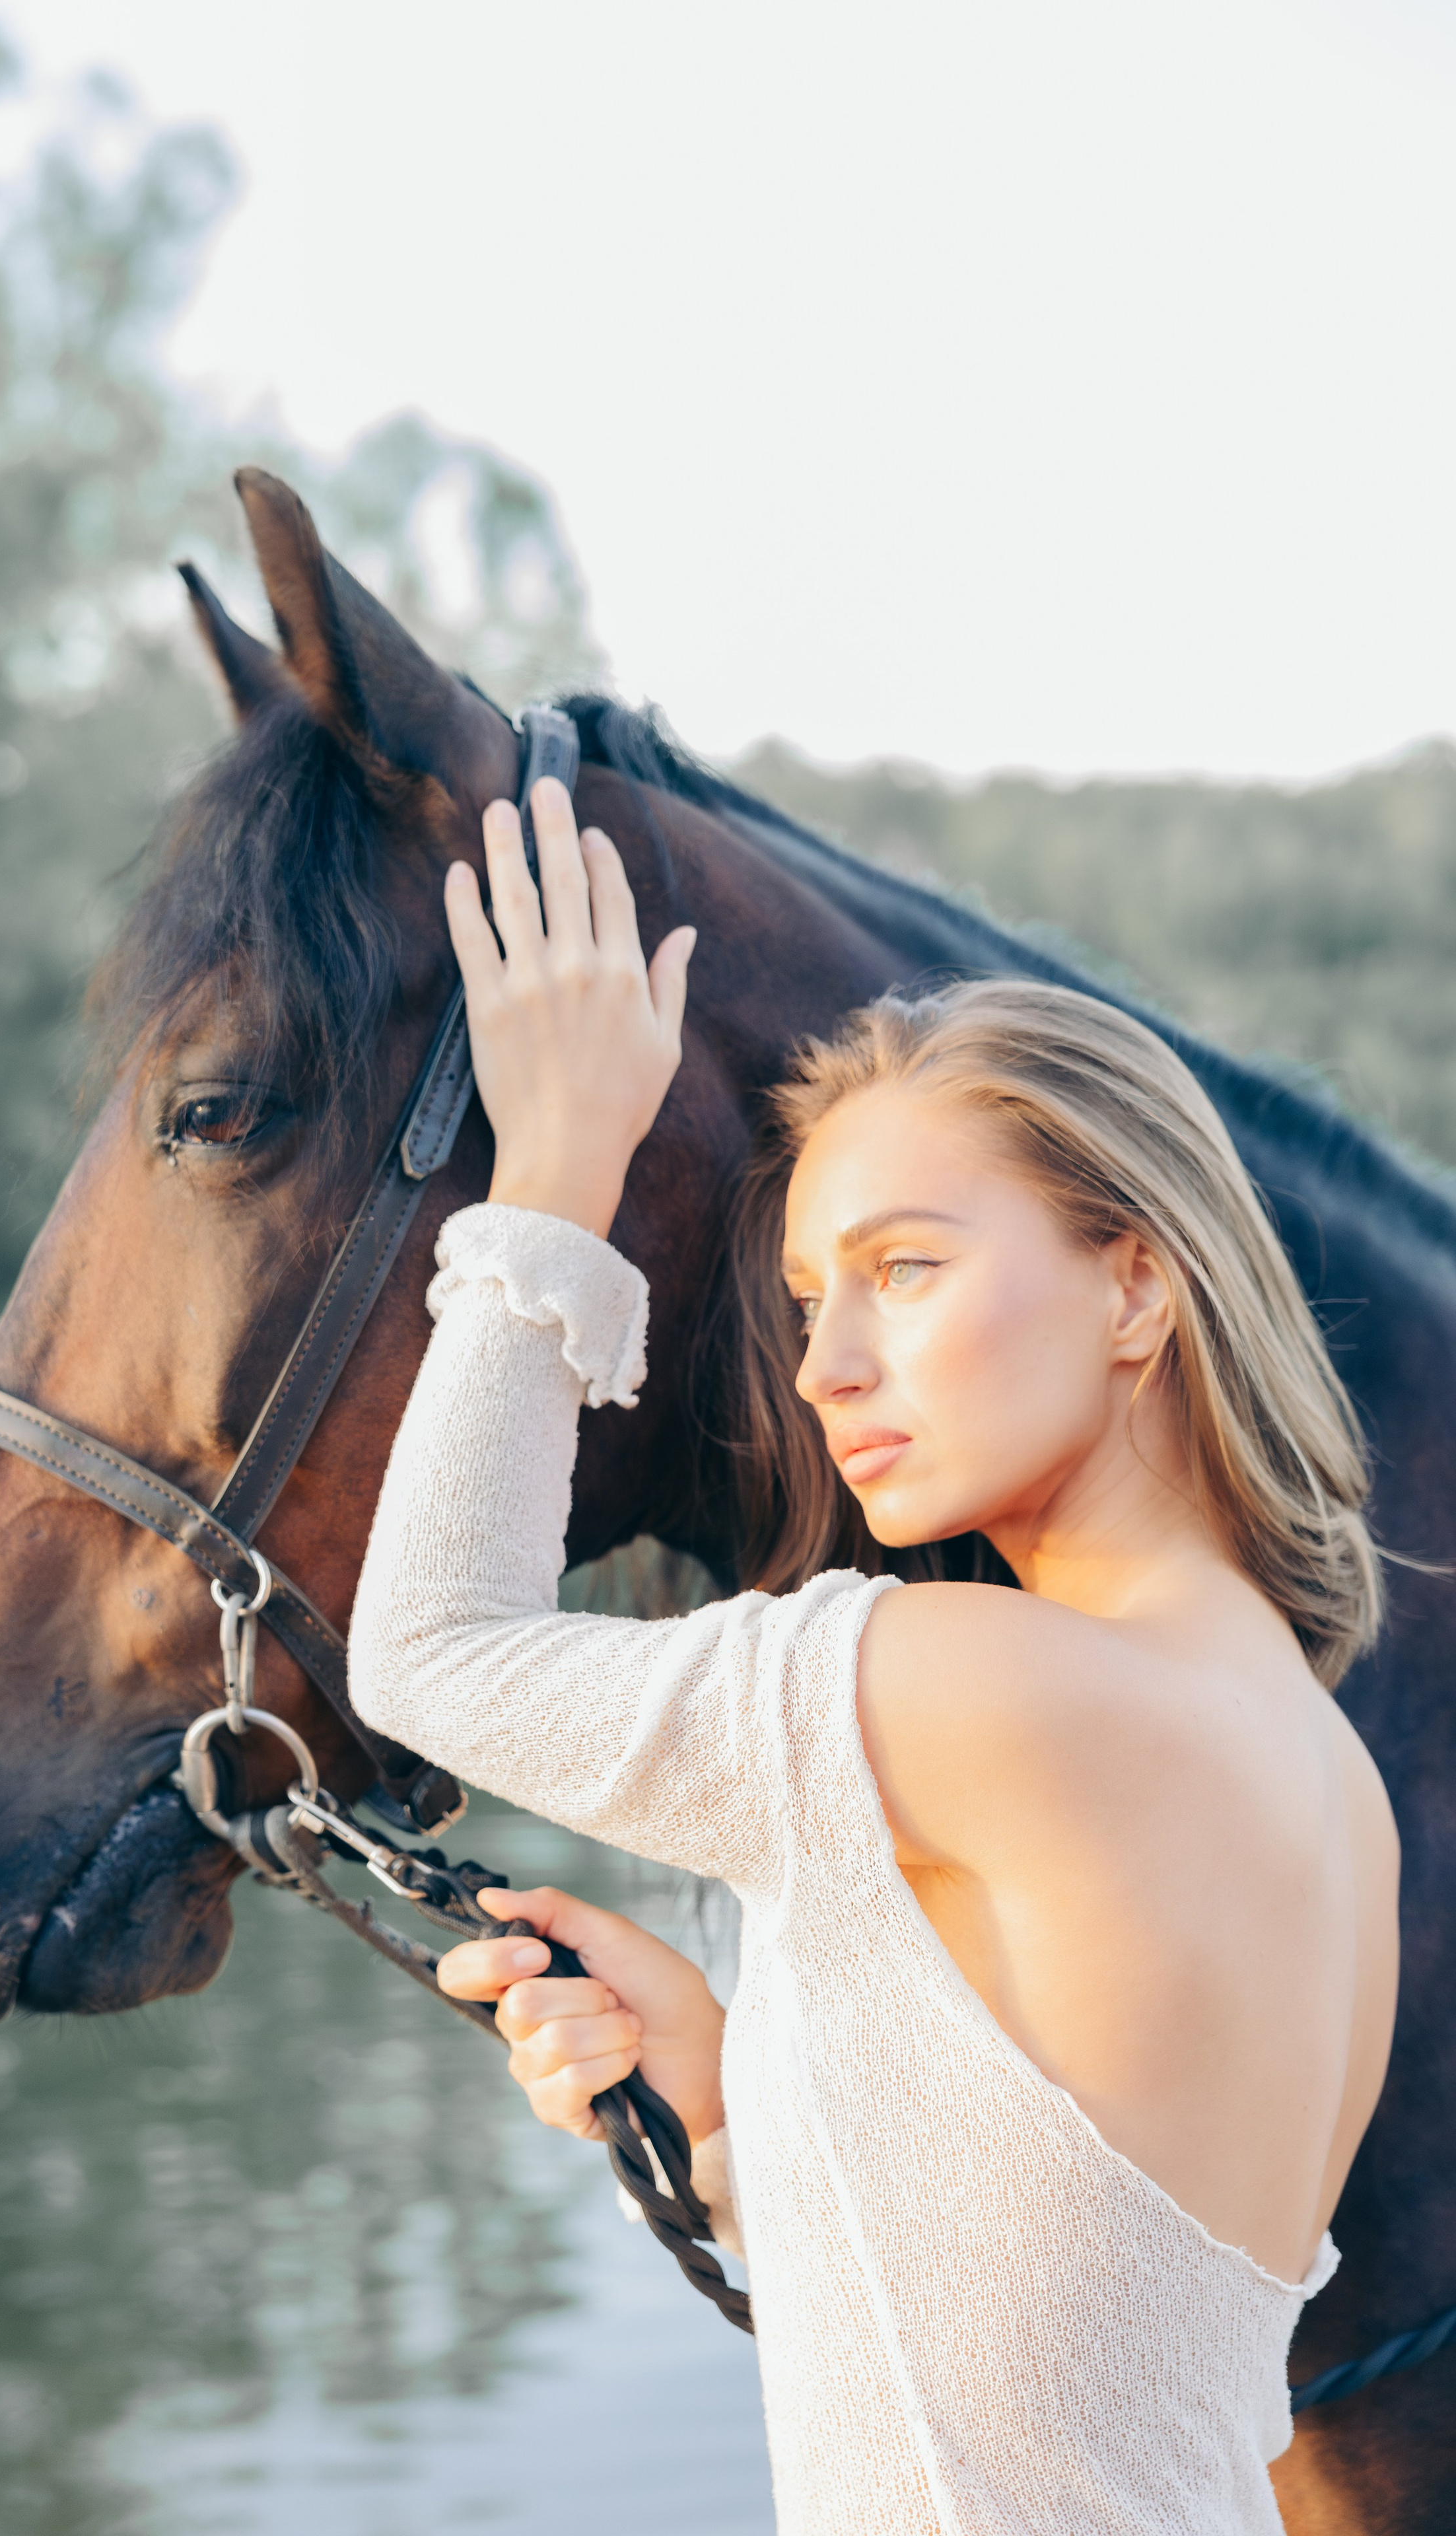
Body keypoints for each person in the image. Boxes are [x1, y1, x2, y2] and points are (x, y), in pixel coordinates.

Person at [347, 779, 1399, 2535]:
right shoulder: (1324, 1783)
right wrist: (733, 2114)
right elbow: (1080, 2371)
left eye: (903, 1269)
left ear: (1137, 1289)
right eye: (811, 1299)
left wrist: (558, 1167)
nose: (827, 1366)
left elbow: (433, 1652)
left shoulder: (979, 1684)